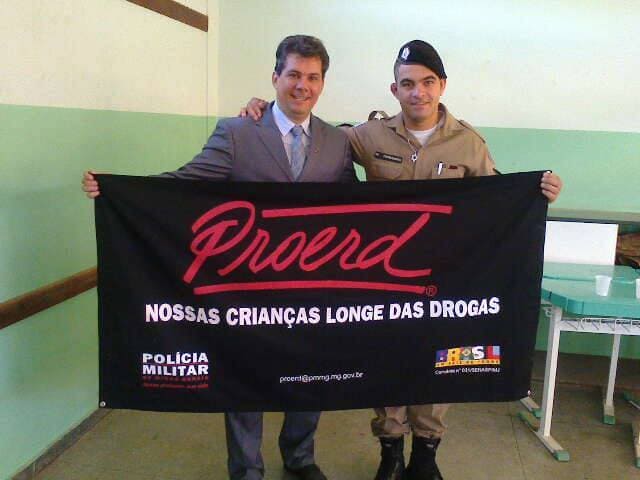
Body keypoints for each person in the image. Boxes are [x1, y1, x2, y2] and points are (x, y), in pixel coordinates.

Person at [240, 39, 563, 480]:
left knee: (438, 363)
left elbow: (497, 197)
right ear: (394, 90)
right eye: (407, 84)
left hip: (445, 280)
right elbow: (314, 137)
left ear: (442, 85)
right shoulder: (368, 136)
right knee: (386, 360)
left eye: (427, 82)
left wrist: (537, 191)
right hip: (385, 280)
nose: (418, 92)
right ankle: (390, 452)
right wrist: (261, 109)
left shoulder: (468, 143)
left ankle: (425, 455)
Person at [83, 34, 356, 480]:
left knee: (310, 374)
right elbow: (188, 181)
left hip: (310, 288)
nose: (302, 86)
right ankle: (246, 469)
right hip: (246, 286)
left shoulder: (338, 142)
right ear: (275, 77)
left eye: (312, 77)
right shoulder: (237, 132)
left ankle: (300, 458)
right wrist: (118, 189)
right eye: (293, 74)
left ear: (323, 83)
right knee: (243, 377)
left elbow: (356, 208)